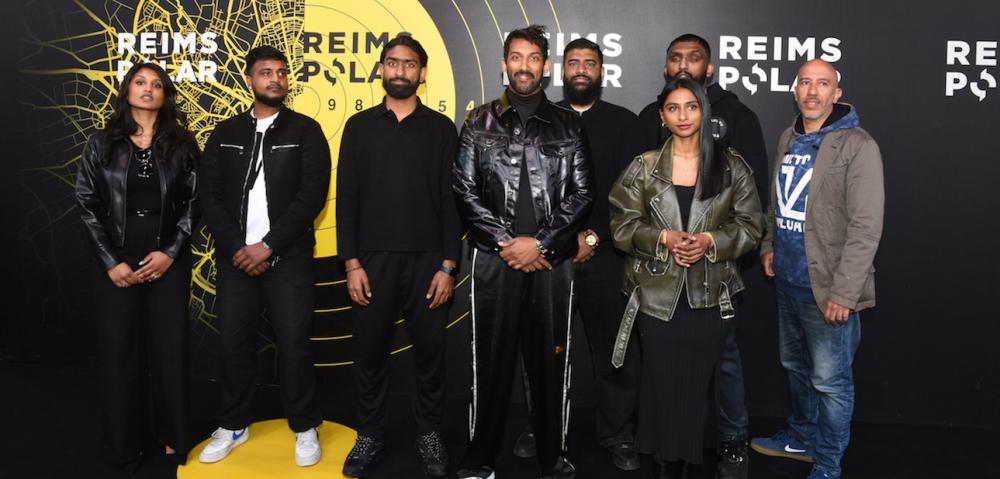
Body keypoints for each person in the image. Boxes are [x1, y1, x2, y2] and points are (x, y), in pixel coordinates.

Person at [453, 24, 593, 479]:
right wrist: (506, 243)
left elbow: (583, 193)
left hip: (552, 261)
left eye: (533, 58)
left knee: (552, 362)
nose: (524, 66)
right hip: (495, 260)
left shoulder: (569, 123)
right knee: (488, 364)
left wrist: (542, 243)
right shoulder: (478, 121)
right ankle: (480, 459)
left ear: (546, 66)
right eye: (516, 57)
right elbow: (464, 190)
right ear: (504, 64)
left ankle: (554, 458)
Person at [608, 77, 763, 478]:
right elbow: (622, 227)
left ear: (704, 112)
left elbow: (752, 226)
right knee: (660, 389)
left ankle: (686, 465)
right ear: (662, 116)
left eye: (691, 107)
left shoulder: (731, 166)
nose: (682, 115)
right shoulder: (643, 167)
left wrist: (711, 241)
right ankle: (663, 465)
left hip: (709, 295)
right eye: (673, 108)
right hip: (656, 297)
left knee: (697, 392)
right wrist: (662, 238)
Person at [197, 45, 331, 467]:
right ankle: (233, 424)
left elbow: (312, 195)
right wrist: (237, 249)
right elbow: (209, 195)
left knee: (294, 344)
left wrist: (269, 245)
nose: (275, 79)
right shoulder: (225, 132)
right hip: (235, 259)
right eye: (265, 72)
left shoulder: (306, 130)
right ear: (250, 79)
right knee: (233, 344)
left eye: (281, 72)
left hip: (288, 259)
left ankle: (305, 426)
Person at [750, 59, 884, 479]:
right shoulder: (788, 136)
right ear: (795, 91)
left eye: (822, 84)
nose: (812, 91)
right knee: (796, 369)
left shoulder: (858, 144)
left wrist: (844, 293)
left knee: (830, 383)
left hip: (827, 289)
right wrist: (770, 246)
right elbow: (777, 201)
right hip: (787, 282)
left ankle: (827, 464)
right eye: (805, 83)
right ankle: (802, 438)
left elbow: (866, 227)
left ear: (836, 93)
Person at [335, 34, 460, 478]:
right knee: (369, 353)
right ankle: (370, 433)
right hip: (371, 262)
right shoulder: (359, 126)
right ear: (381, 69)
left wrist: (448, 265)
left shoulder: (442, 129)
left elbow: (451, 202)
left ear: (422, 73)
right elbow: (346, 199)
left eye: (409, 64)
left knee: (430, 355)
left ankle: (429, 433)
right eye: (392, 62)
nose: (400, 70)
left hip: (429, 261)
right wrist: (351, 263)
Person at [75, 61, 198, 470]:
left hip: (167, 258)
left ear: (165, 95)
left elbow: (194, 203)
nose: (148, 89)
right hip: (116, 259)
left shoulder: (182, 143)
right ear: (127, 90)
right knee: (120, 352)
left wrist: (171, 251)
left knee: (170, 350)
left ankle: (173, 436)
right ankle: (124, 445)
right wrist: (111, 261)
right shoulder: (102, 143)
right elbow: (87, 204)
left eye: (157, 84)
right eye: (140, 82)